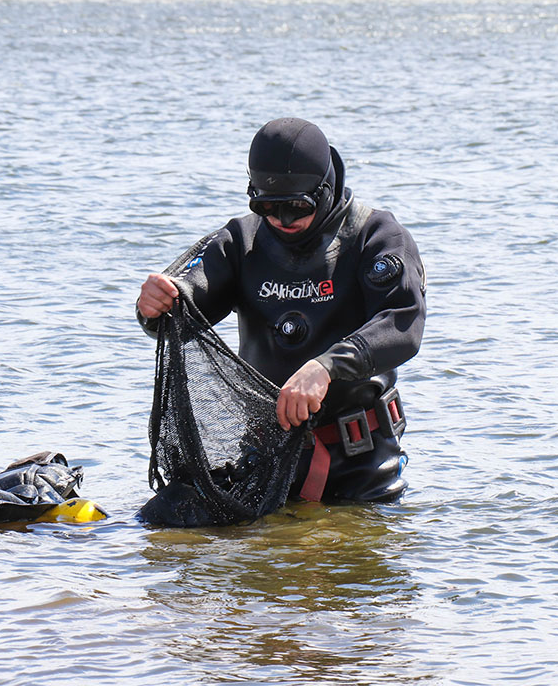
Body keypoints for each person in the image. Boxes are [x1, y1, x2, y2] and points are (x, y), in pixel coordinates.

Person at [136, 118, 426, 503]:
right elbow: (181, 307)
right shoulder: (242, 241)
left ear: (325, 188)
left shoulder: (376, 236)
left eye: (297, 207)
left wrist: (327, 366)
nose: (283, 221)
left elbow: (403, 322)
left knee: (351, 553)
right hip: (265, 456)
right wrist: (156, 307)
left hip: (362, 462)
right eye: (269, 207)